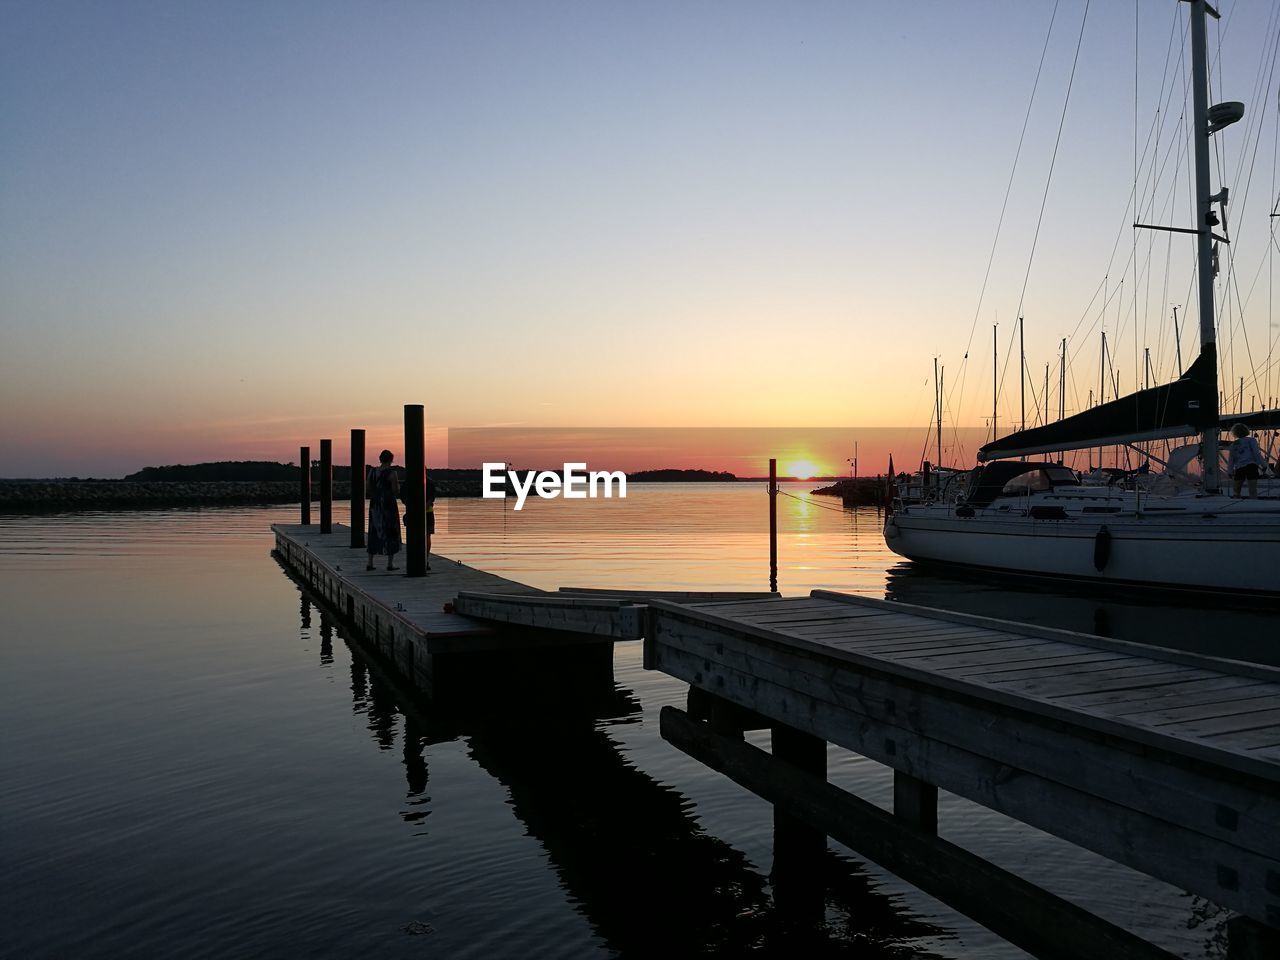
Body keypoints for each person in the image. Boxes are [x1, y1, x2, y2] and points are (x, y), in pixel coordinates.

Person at [366, 449, 402, 570]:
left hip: (375, 504)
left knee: (374, 530)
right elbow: (395, 490)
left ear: (380, 459)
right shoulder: (392, 473)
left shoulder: (372, 472)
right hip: (388, 504)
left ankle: (370, 563)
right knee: (391, 530)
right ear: (391, 459)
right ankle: (390, 564)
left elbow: (368, 488)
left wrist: (376, 495)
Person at [1227, 423, 1266, 498]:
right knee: (1252, 490)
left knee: (1236, 490)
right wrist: (1263, 465)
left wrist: (1230, 471)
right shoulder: (1251, 440)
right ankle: (1253, 502)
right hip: (1251, 466)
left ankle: (1237, 502)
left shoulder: (1233, 445)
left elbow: (1231, 459)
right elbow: (1256, 453)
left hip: (1240, 468)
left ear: (1235, 433)